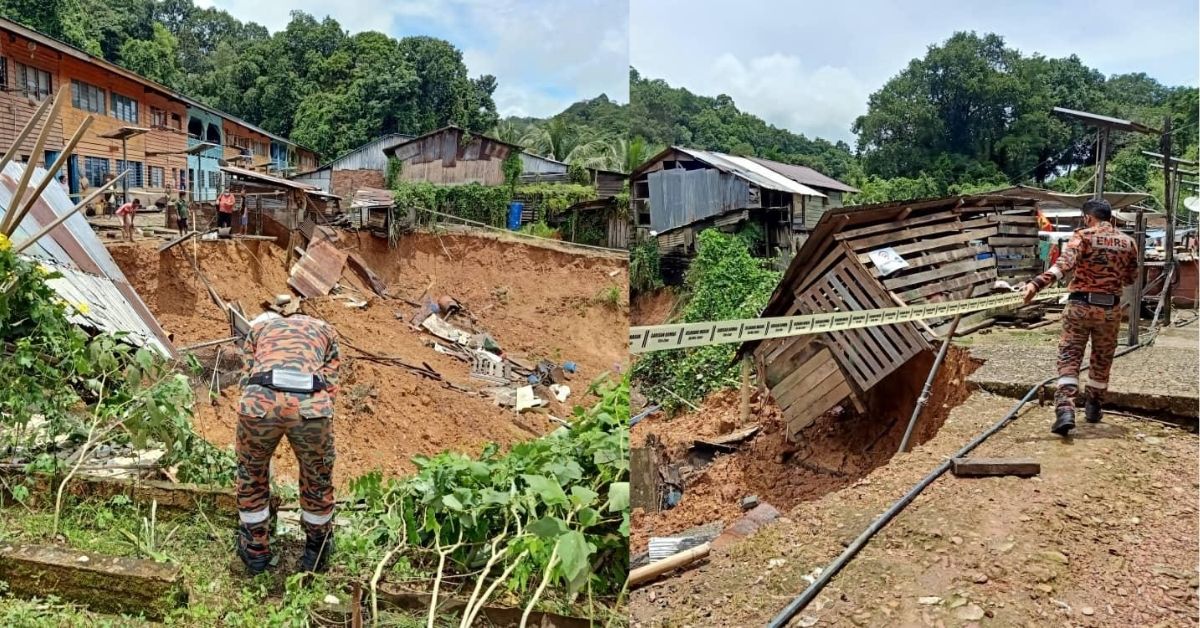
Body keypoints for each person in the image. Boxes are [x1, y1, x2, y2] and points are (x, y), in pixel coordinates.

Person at [235, 298, 340, 575]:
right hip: (311, 405)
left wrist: (257, 406)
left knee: (251, 473)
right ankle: (316, 552)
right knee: (317, 478)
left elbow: (246, 375)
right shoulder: (326, 330)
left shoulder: (259, 329)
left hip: (260, 401)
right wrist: (316, 414)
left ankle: (255, 551)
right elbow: (331, 383)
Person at [1022, 199, 1137, 436]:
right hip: (1109, 311)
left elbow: (1063, 265)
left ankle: (1065, 410)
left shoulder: (1083, 236)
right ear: (1110, 217)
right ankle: (1093, 407)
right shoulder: (1128, 242)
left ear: (1088, 217)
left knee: (1070, 356)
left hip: (1080, 307)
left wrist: (1037, 284)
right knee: (1102, 359)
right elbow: (1130, 278)